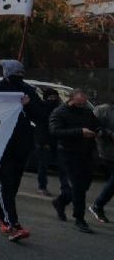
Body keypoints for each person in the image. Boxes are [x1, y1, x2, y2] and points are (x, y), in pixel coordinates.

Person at [0, 59, 44, 242]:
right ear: (7, 73)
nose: (19, 77)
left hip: (22, 143)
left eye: (21, 74)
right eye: (15, 74)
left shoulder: (29, 91)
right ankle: (14, 225)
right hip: (2, 143)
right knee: (7, 182)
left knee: (14, 185)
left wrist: (28, 104)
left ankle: (0, 218)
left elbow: (41, 115)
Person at [49, 89, 104, 233]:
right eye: (80, 103)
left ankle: (60, 201)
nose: (82, 105)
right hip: (68, 153)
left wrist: (99, 131)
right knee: (78, 187)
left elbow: (96, 124)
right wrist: (80, 132)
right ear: (71, 99)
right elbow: (55, 131)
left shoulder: (86, 111)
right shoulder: (59, 112)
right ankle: (79, 219)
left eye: (84, 103)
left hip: (86, 153)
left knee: (84, 184)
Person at [34, 88, 66, 197]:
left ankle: (65, 188)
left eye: (54, 97)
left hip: (57, 141)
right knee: (43, 166)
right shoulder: (42, 109)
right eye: (50, 97)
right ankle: (42, 187)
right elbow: (41, 127)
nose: (53, 99)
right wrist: (44, 142)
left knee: (63, 166)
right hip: (45, 142)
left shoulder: (60, 109)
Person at [89, 96, 114, 223]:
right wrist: (109, 133)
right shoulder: (102, 110)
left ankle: (98, 205)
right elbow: (93, 125)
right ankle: (97, 205)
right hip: (106, 151)